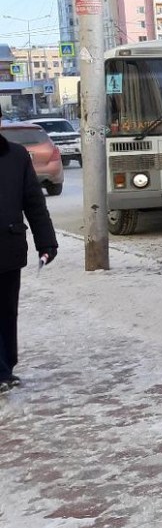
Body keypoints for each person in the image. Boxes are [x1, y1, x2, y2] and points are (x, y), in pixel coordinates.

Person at [1, 111, 58, 392]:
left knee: (7, 311)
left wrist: (46, 242)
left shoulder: (15, 156)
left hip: (7, 247)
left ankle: (5, 367)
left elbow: (33, 201)